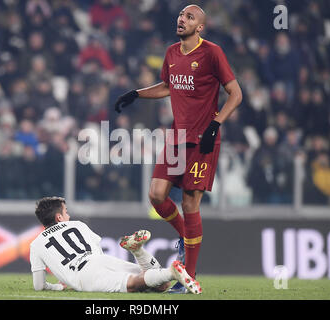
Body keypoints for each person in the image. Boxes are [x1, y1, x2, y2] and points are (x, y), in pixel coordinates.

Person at [114, 4, 242, 293]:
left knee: (189, 203)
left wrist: (216, 124)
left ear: (200, 27)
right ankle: (187, 238)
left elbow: (236, 93)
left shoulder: (212, 53)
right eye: (181, 15)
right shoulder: (172, 52)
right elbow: (168, 86)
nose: (182, 19)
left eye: (189, 17)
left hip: (203, 139)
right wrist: (136, 94)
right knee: (156, 195)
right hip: (177, 137)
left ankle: (189, 276)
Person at [30, 196, 202, 294]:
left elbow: (39, 285)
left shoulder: (36, 244)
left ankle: (171, 272)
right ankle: (138, 251)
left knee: (135, 284)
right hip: (100, 260)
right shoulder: (77, 225)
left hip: (84, 276)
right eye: (66, 212)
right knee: (160, 286)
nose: (68, 215)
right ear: (59, 217)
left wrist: (56, 286)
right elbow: (97, 250)